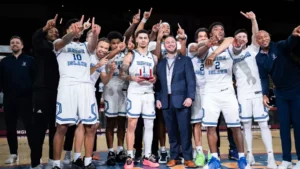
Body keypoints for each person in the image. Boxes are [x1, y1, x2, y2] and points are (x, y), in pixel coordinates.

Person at [197, 22, 250, 169]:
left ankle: (242, 158)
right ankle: (214, 159)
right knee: (210, 127)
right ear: (209, 32)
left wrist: (214, 54)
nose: (219, 31)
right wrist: (209, 46)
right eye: (215, 29)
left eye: (222, 29)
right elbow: (198, 54)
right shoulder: (204, 46)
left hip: (227, 91)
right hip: (210, 92)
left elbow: (232, 42)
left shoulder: (229, 46)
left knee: (235, 127)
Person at [51, 16, 100, 169]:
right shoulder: (58, 44)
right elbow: (63, 42)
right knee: (62, 127)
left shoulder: (85, 46)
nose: (77, 29)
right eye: (72, 27)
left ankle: (87, 161)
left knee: (91, 126)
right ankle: (56, 164)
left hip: (85, 86)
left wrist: (95, 34)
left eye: (78, 27)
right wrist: (73, 32)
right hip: (67, 85)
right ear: (67, 30)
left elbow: (92, 47)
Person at [256, 26, 300, 169]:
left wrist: (293, 35)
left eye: (265, 36)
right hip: (280, 94)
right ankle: (286, 160)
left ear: (269, 36)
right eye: (260, 38)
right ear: (257, 41)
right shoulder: (259, 57)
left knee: (298, 126)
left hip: (296, 90)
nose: (263, 39)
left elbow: (289, 43)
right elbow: (263, 77)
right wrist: (264, 94)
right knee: (284, 128)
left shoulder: (279, 47)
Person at [119, 29, 159, 169]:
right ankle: (129, 156)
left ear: (149, 40)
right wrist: (133, 78)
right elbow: (121, 74)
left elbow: (155, 75)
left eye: (145, 38)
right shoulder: (131, 55)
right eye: (140, 38)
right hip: (134, 92)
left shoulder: (153, 58)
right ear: (136, 40)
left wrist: (154, 79)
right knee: (132, 124)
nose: (143, 40)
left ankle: (147, 155)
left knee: (149, 125)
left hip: (148, 93)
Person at [155, 35, 197, 168]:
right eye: (167, 42)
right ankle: (174, 157)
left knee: (185, 130)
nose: (170, 44)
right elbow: (158, 85)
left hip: (182, 100)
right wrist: (158, 99)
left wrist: (190, 97)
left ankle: (188, 158)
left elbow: (191, 80)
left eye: (172, 42)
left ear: (176, 44)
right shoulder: (160, 63)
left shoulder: (185, 60)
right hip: (166, 101)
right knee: (172, 131)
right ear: (164, 46)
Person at [0, 36, 35, 164]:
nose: (14, 44)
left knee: (30, 128)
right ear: (10, 46)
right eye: (12, 43)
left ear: (22, 46)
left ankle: (34, 154)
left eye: (17, 42)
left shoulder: (30, 60)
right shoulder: (4, 62)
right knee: (10, 128)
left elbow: (35, 80)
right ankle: (13, 154)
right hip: (10, 100)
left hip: (27, 100)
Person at [31, 14, 59, 168]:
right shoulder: (41, 45)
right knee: (39, 130)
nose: (54, 32)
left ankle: (53, 161)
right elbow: (35, 37)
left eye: (56, 31)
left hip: (59, 92)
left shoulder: (63, 48)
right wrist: (44, 28)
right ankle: (35, 163)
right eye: (51, 31)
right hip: (42, 92)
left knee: (56, 131)